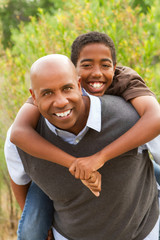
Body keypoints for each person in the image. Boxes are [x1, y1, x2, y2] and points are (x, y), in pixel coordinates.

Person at [8, 32, 160, 240]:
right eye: (87, 65)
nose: (96, 74)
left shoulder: (126, 83)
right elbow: (17, 134)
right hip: (56, 183)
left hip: (130, 168)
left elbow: (155, 119)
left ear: (114, 68)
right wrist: (77, 164)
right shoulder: (50, 89)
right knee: (31, 230)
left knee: (149, 172)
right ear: (75, 71)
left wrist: (100, 158)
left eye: (105, 66)